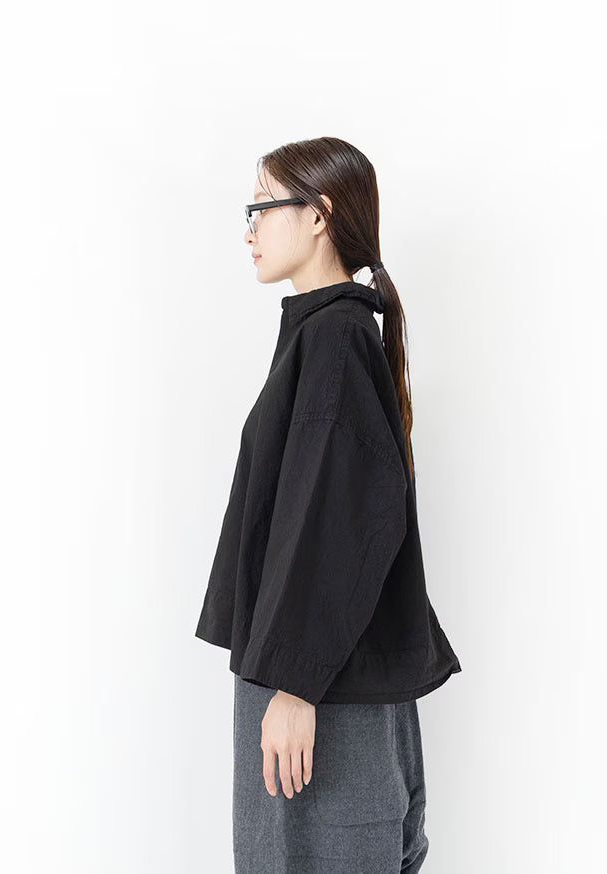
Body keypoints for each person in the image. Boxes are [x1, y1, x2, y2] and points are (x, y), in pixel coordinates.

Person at [195, 136, 462, 873]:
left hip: (318, 687)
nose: (249, 229)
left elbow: (343, 521)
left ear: (318, 215)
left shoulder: (337, 339)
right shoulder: (325, 334)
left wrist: (294, 684)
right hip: (314, 676)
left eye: (263, 205)